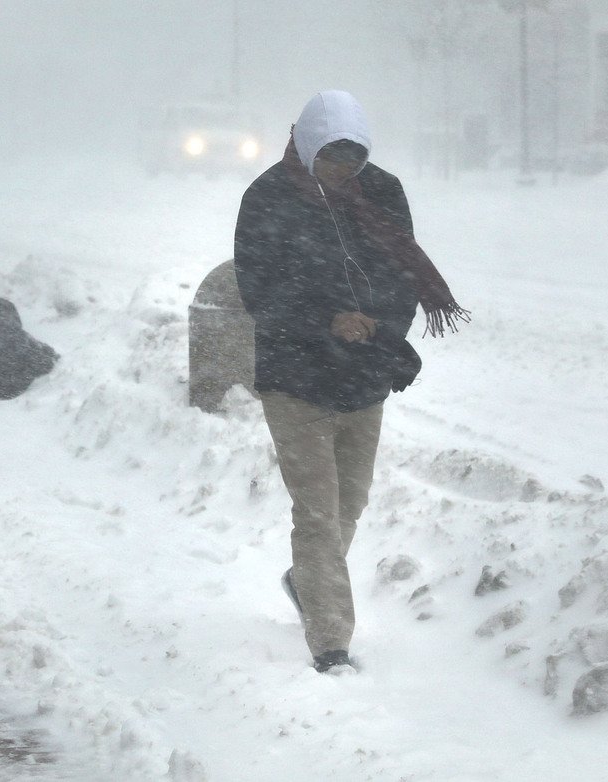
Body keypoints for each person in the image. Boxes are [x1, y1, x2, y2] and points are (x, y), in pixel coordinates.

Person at [233, 91, 468, 674]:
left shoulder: (381, 191)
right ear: (308, 147)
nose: (342, 171)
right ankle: (330, 642)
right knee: (316, 510)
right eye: (332, 158)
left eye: (353, 159)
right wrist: (327, 320)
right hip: (296, 373)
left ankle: (305, 582)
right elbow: (260, 290)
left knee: (350, 503)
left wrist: (381, 331)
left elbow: (402, 272)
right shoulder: (267, 198)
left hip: (362, 374)